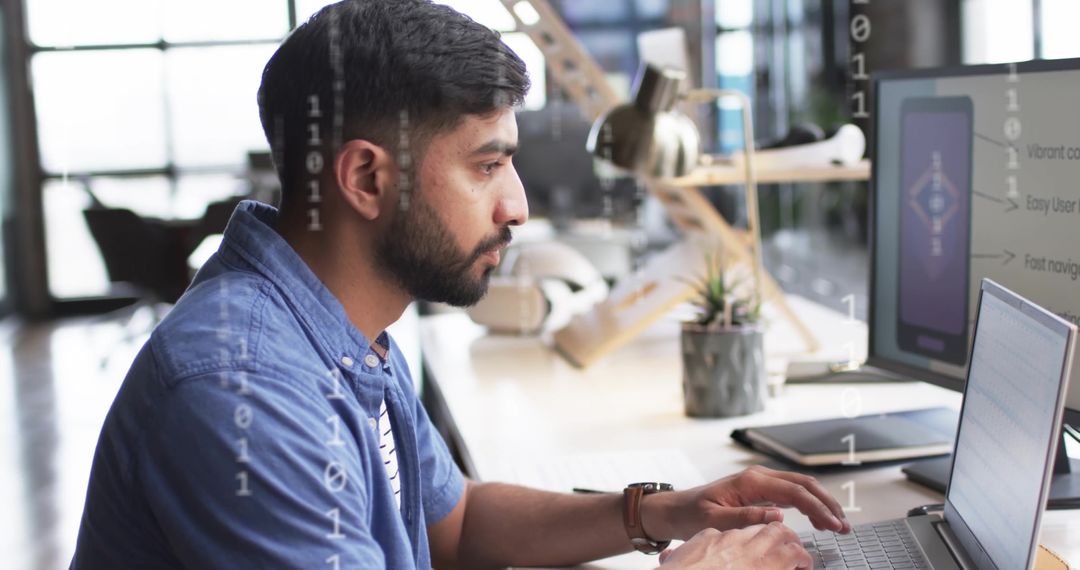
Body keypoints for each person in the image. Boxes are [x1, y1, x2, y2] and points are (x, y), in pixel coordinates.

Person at [70, 1, 850, 568]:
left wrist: (656, 513)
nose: (518, 205)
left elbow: (458, 523)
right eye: (486, 165)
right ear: (367, 178)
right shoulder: (239, 392)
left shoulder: (340, 322)